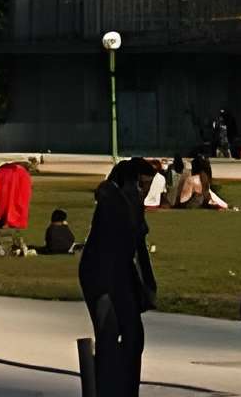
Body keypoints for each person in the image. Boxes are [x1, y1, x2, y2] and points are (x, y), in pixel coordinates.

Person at [79, 157, 160, 397]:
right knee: (109, 333)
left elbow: (138, 248)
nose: (145, 191)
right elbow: (113, 247)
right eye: (142, 185)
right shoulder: (112, 201)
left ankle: (124, 387)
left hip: (120, 274)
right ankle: (106, 388)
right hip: (102, 277)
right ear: (130, 182)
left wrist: (147, 285)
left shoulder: (130, 202)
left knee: (134, 334)